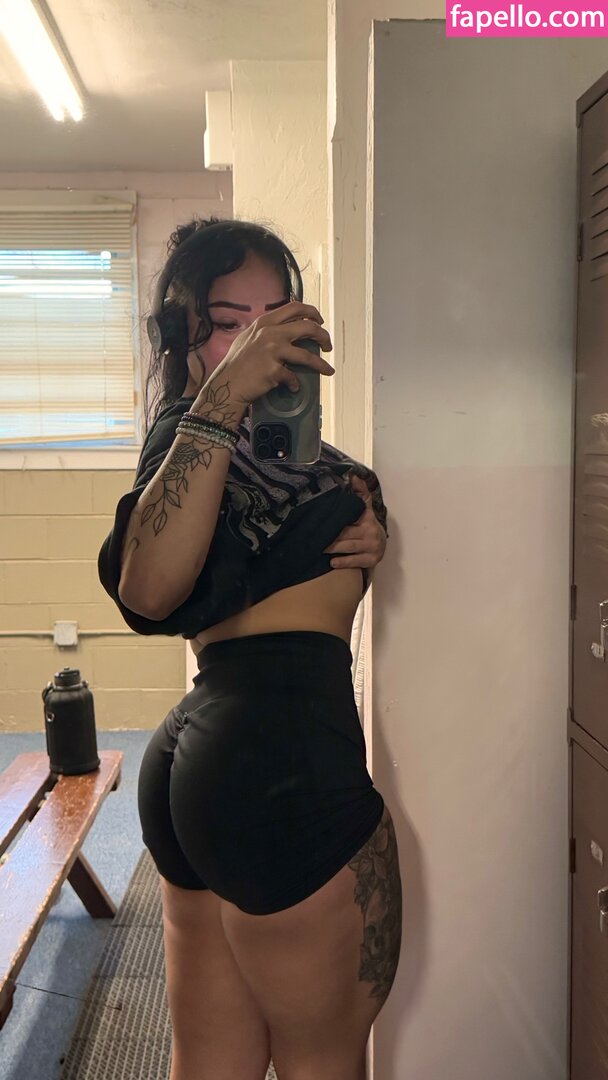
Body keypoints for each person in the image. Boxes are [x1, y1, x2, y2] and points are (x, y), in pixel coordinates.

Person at [98, 216, 402, 1080]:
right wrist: (225, 396)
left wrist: (364, 527)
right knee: (323, 1063)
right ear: (184, 336)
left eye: (276, 321)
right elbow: (148, 589)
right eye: (229, 323)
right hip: (280, 767)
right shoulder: (189, 438)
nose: (257, 345)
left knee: (211, 1061)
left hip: (210, 760)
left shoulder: (301, 461)